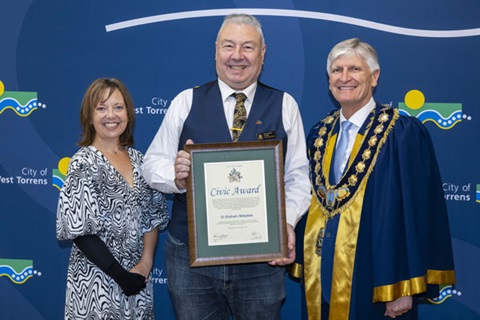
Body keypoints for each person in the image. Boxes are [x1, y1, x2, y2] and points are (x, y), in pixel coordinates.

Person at [143, 13, 311, 319]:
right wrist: (177, 177)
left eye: (248, 47)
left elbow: (298, 176)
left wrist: (287, 223)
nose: (237, 56)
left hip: (261, 261)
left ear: (263, 54)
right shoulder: (185, 101)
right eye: (228, 46)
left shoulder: (285, 105)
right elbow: (152, 165)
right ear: (216, 51)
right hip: (191, 259)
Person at [290, 38, 456, 319]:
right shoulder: (319, 134)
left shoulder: (401, 133)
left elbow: (417, 214)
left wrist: (405, 286)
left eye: (354, 69)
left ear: (374, 77)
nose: (344, 77)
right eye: (337, 70)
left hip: (379, 282)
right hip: (323, 276)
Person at [56, 78, 169, 319]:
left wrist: (145, 264)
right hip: (96, 285)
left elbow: (152, 218)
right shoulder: (82, 163)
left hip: (138, 282)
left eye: (118, 107)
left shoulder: (140, 160)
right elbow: (81, 232)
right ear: (89, 116)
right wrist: (121, 276)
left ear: (128, 113)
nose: (111, 115)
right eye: (101, 108)